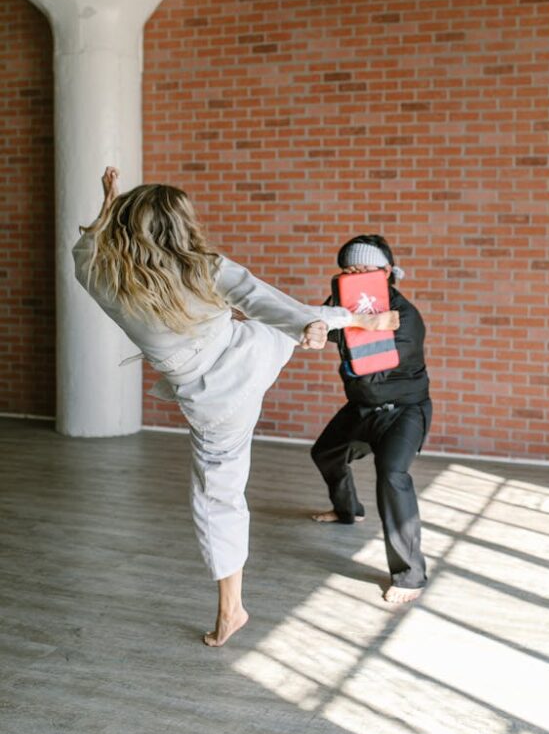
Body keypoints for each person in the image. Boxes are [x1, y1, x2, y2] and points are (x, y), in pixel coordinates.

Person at [73, 169, 399, 646]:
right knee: (286, 323)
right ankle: (338, 324)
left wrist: (107, 207)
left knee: (218, 497)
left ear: (127, 224)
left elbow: (83, 251)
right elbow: (270, 303)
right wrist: (328, 321)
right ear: (183, 226)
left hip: (215, 398)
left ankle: (232, 610)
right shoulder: (207, 267)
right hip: (254, 350)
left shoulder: (105, 275)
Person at [310, 235, 432, 604]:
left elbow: (375, 363)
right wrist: (317, 327)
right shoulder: (342, 305)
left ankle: (410, 576)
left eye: (366, 268)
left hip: (403, 411)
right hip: (362, 407)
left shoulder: (406, 317)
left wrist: (349, 325)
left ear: (388, 272)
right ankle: (348, 510)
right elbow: (321, 326)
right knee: (325, 453)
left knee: (393, 476)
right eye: (350, 268)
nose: (358, 273)